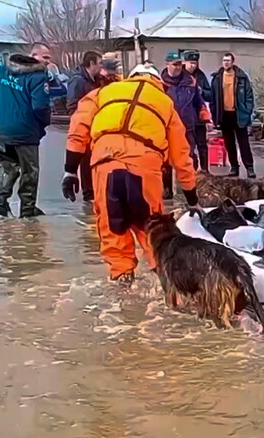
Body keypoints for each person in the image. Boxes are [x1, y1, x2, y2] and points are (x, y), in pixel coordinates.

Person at [60, 64, 200, 284]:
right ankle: (168, 287)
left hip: (105, 166)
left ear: (130, 78)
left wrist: (70, 170)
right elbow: (182, 158)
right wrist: (192, 199)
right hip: (145, 169)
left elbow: (78, 130)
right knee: (154, 233)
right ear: (158, 83)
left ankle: (123, 292)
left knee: (114, 231)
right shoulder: (165, 105)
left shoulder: (101, 93)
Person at [0, 44, 52, 218]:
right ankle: (27, 210)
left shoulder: (5, 69)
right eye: (45, 57)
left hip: (3, 129)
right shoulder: (38, 76)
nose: (48, 61)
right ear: (33, 56)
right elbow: (40, 106)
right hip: (26, 131)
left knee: (6, 165)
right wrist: (46, 122)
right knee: (30, 171)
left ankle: (1, 201)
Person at [160, 51, 211, 199]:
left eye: (179, 65)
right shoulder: (160, 83)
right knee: (166, 159)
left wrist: (203, 112)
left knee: (188, 158)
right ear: (167, 64)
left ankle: (190, 187)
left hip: (187, 126)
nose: (178, 68)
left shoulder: (190, 82)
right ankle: (167, 188)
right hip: (167, 126)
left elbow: (198, 101)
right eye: (174, 65)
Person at [210, 52, 256, 178]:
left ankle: (249, 167)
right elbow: (213, 98)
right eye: (224, 60)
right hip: (224, 115)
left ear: (233, 62)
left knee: (243, 143)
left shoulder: (241, 77)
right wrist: (214, 116)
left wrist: (248, 111)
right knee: (229, 144)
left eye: (228, 60)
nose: (226, 63)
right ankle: (234, 167)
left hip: (239, 113)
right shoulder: (217, 78)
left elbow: (249, 96)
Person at [65, 51, 103, 202]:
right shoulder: (78, 81)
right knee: (85, 161)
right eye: (99, 63)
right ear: (91, 64)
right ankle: (89, 195)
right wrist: (83, 121)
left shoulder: (96, 80)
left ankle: (94, 192)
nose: (101, 67)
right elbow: (72, 105)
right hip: (84, 127)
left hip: (96, 129)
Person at [183, 50, 213, 172]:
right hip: (185, 117)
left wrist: (201, 91)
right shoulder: (181, 76)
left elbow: (209, 94)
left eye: (195, 63)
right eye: (190, 63)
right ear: (184, 62)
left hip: (199, 117)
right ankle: (191, 169)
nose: (193, 66)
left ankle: (205, 169)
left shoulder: (200, 76)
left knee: (202, 145)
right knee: (188, 146)